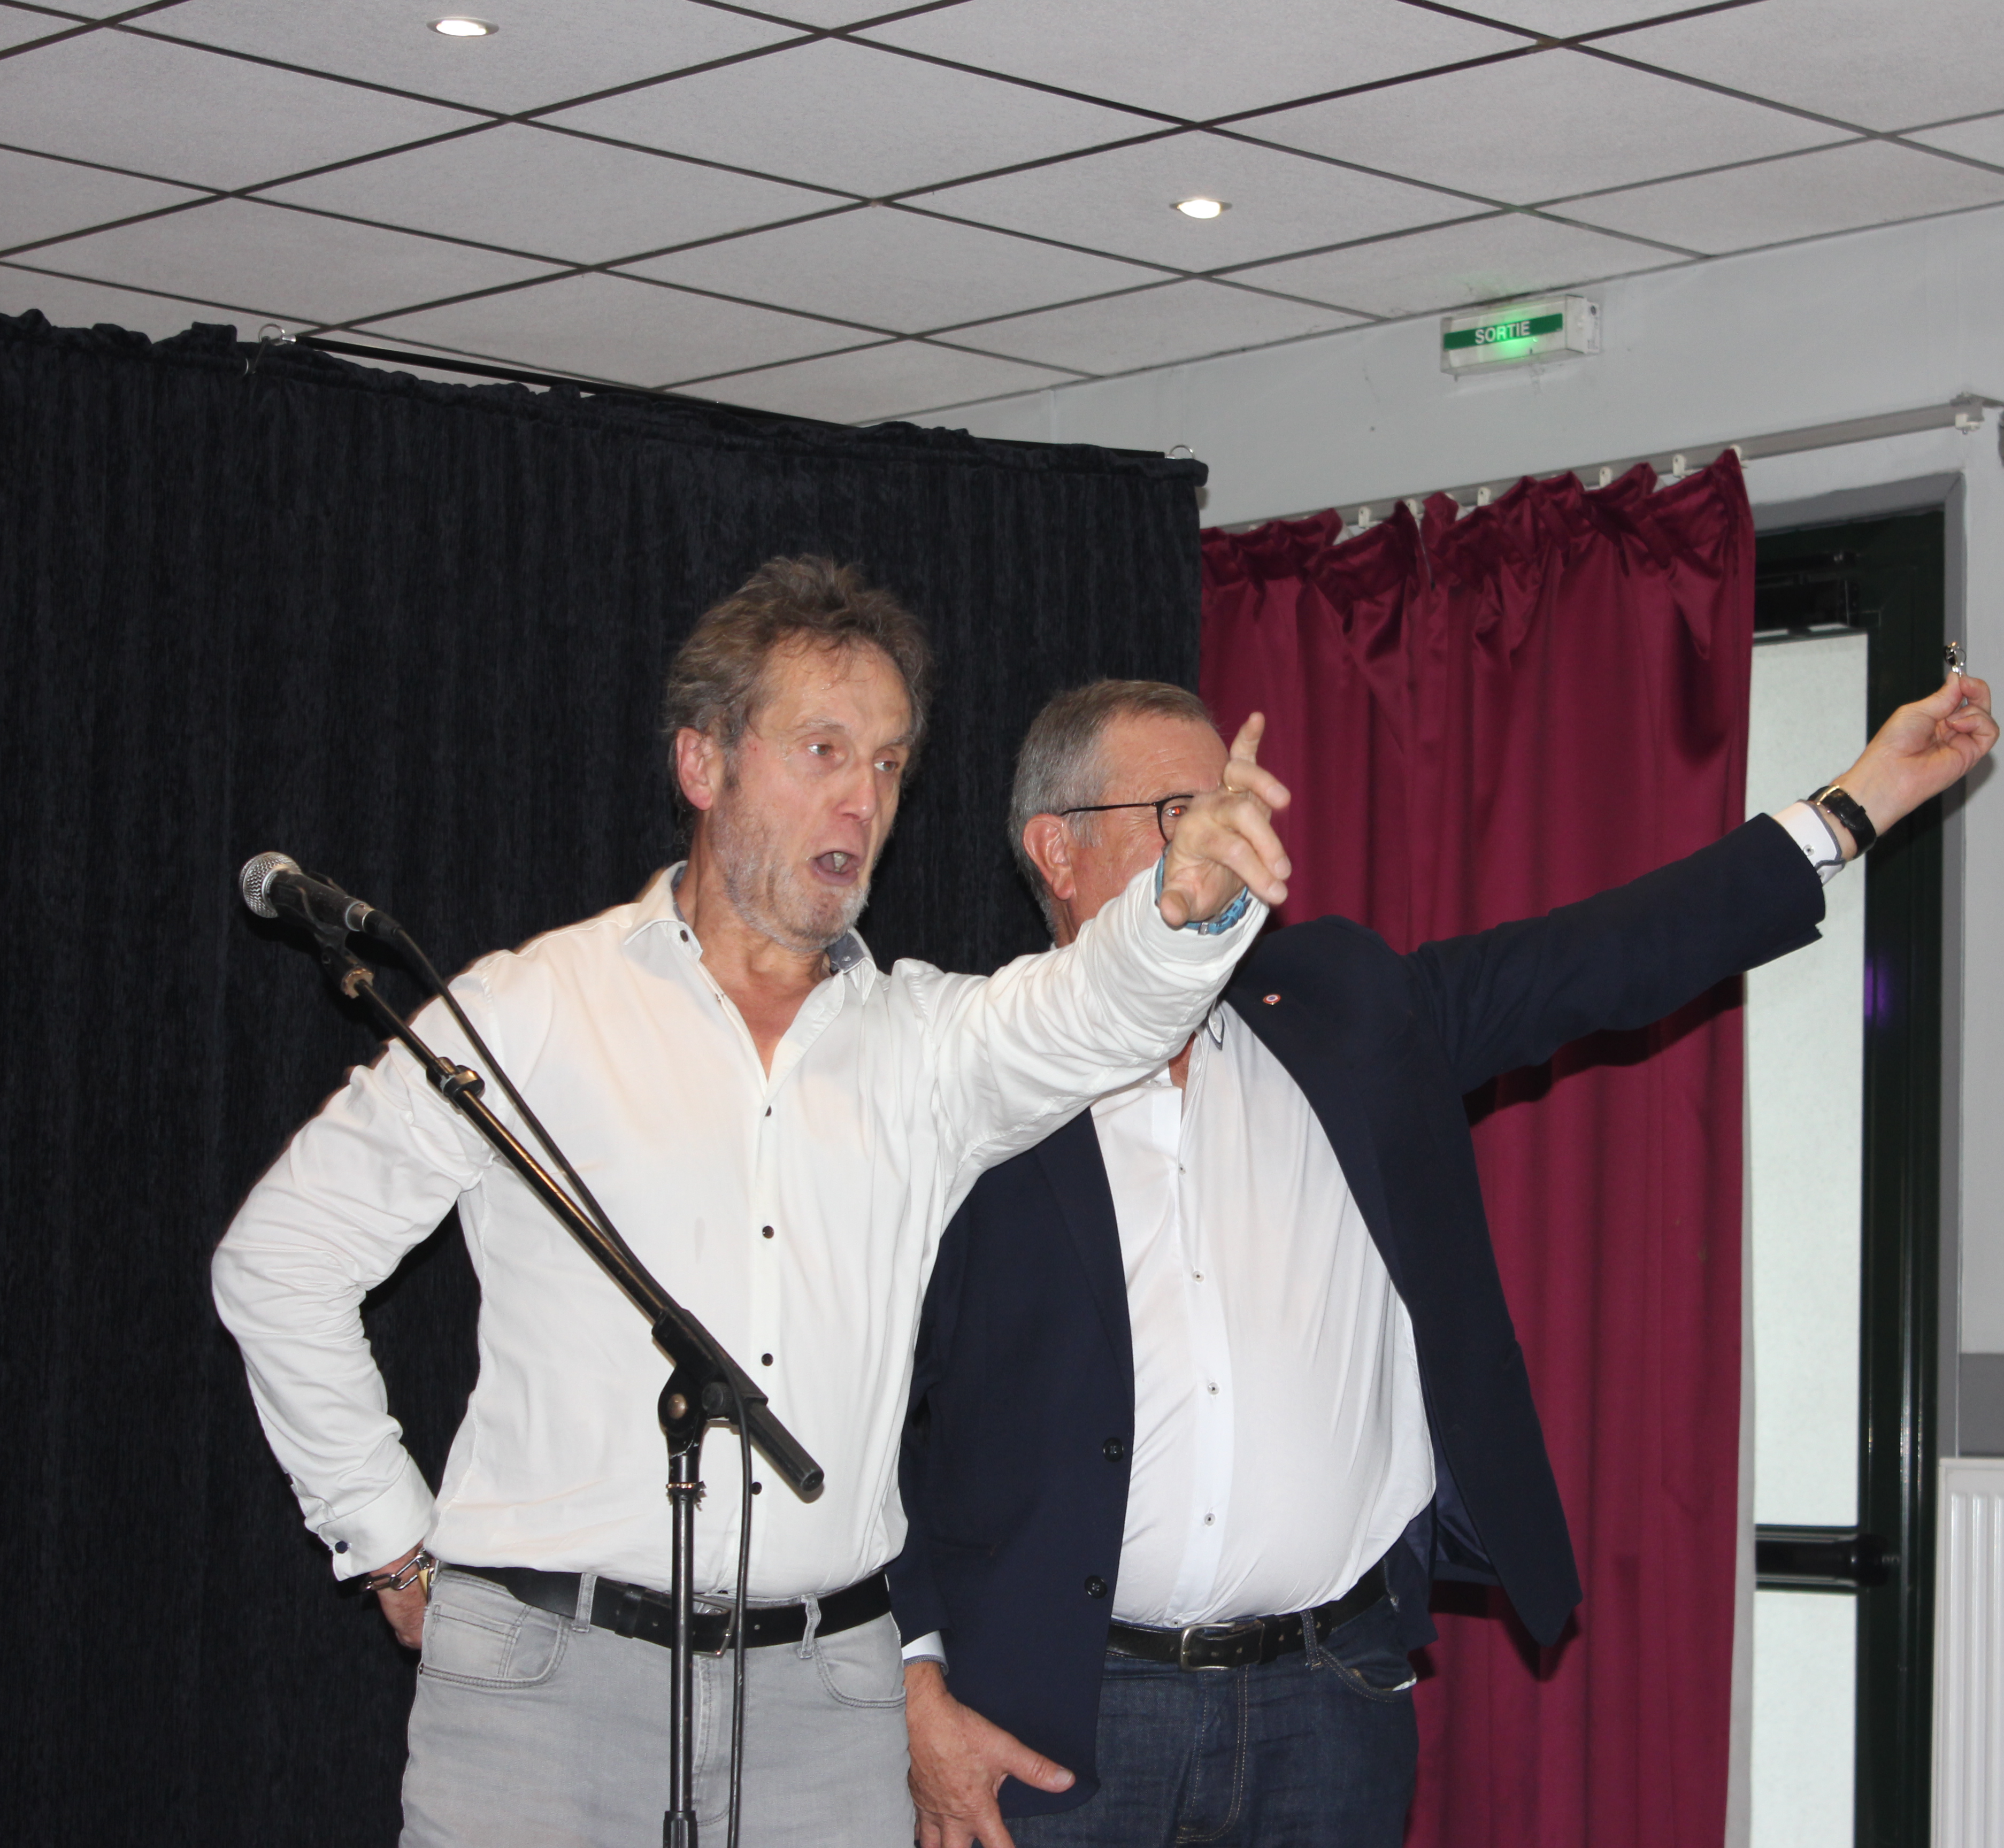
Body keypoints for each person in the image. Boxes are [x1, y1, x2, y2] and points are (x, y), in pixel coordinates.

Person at [210, 559, 1296, 1848]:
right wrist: (387, 1538)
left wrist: (1180, 911)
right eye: (823, 749)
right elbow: (283, 1258)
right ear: (703, 764)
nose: (863, 797)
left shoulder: (924, 1045)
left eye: (888, 763)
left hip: (827, 1706)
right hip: (544, 1693)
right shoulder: (534, 1009)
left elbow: (1093, 1014)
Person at [893, 672, 1999, 1848]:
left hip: (1329, 1706)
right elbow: (867, 1419)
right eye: (1182, 811)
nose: (1226, 836)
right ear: (1058, 852)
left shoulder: (1344, 1008)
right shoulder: (959, 1083)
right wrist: (912, 1681)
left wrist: (1855, 805)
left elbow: (1602, 955)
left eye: (1236, 803)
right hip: (1065, 1723)